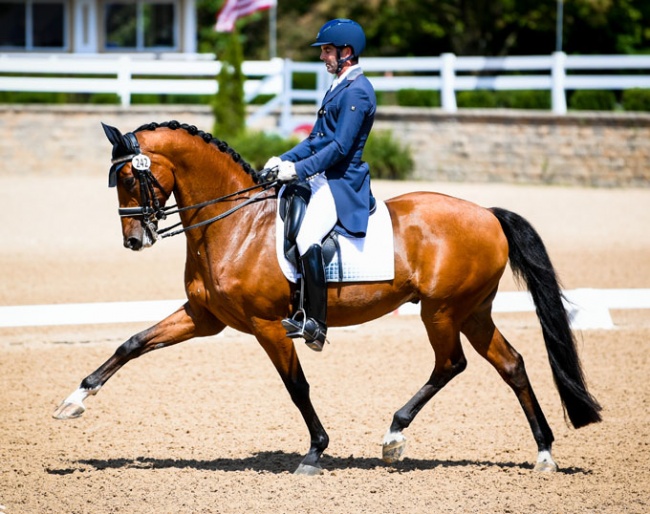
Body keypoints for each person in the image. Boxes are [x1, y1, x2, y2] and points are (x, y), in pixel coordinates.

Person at [264, 18, 377, 352]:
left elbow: (340, 148)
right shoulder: (338, 85)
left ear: (347, 52)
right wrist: (281, 160)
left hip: (342, 182)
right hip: (323, 176)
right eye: (324, 51)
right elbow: (316, 140)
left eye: (327, 50)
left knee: (306, 235)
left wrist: (297, 171)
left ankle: (315, 321)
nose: (322, 57)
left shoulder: (358, 90)